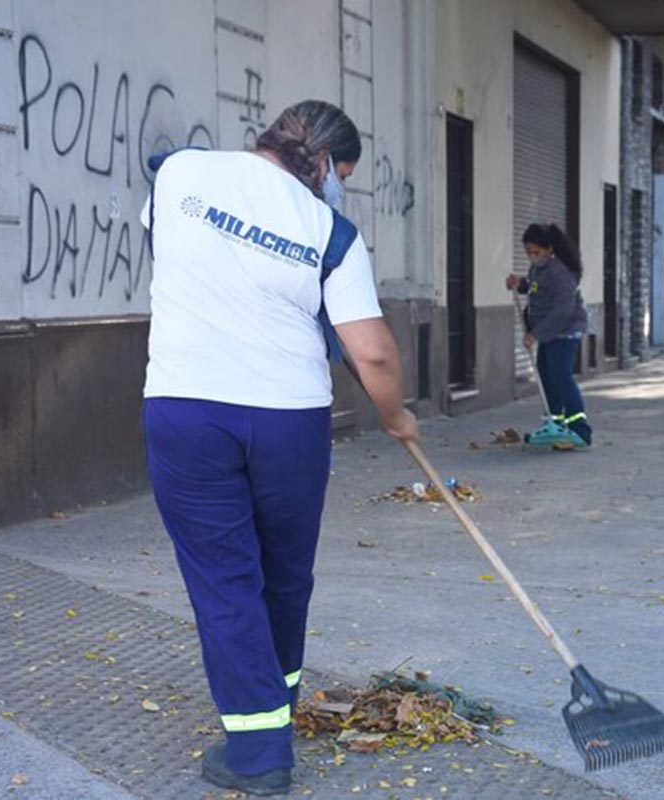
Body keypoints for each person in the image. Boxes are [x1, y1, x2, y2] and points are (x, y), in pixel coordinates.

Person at [139, 100, 417, 796]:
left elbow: (169, 251)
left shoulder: (181, 174)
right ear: (322, 162)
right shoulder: (331, 231)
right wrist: (396, 417)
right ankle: (271, 718)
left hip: (189, 411)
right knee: (284, 574)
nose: (338, 187)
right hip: (290, 420)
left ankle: (259, 748)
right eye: (341, 173)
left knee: (224, 577)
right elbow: (374, 356)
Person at [505, 223, 592, 449]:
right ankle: (554, 424)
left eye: (536, 252)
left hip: (565, 331)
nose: (532, 257)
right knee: (546, 375)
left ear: (549, 248)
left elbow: (562, 310)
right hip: (549, 332)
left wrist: (535, 334)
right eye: (529, 253)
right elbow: (536, 289)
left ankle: (580, 429)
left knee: (560, 375)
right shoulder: (539, 269)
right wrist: (520, 284)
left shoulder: (560, 272)